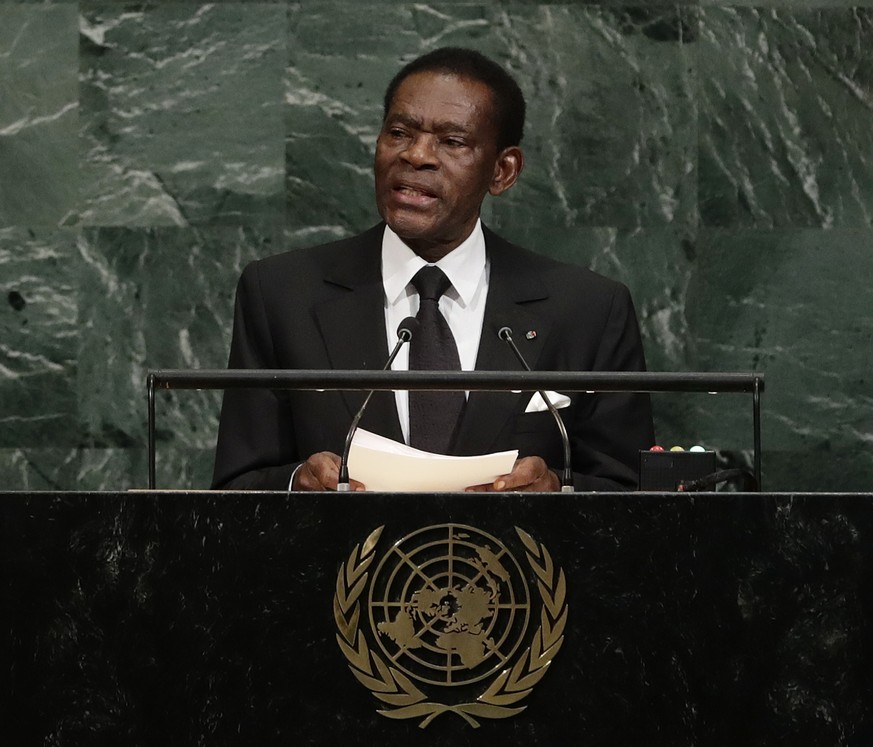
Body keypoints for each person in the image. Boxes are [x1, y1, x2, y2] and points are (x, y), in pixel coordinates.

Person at [211, 47, 654, 493]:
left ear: (502, 171)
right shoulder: (283, 294)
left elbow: (635, 495)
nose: (417, 155)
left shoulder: (588, 310)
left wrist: (557, 489)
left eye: (452, 141)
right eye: (399, 132)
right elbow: (235, 485)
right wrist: (296, 482)